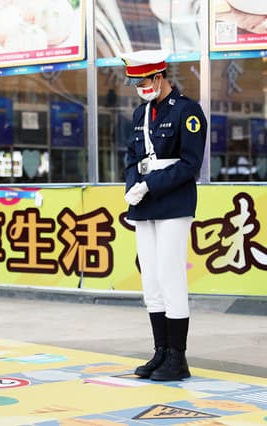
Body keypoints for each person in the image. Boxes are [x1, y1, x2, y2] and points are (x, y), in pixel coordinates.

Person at [119, 49, 206, 381]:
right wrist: (131, 185)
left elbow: (189, 164)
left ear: (159, 77)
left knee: (171, 277)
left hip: (173, 202)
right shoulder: (140, 114)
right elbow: (132, 157)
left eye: (143, 81)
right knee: (151, 280)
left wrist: (149, 186)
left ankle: (178, 358)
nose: (140, 88)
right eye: (136, 83)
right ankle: (161, 352)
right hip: (143, 203)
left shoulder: (187, 111)